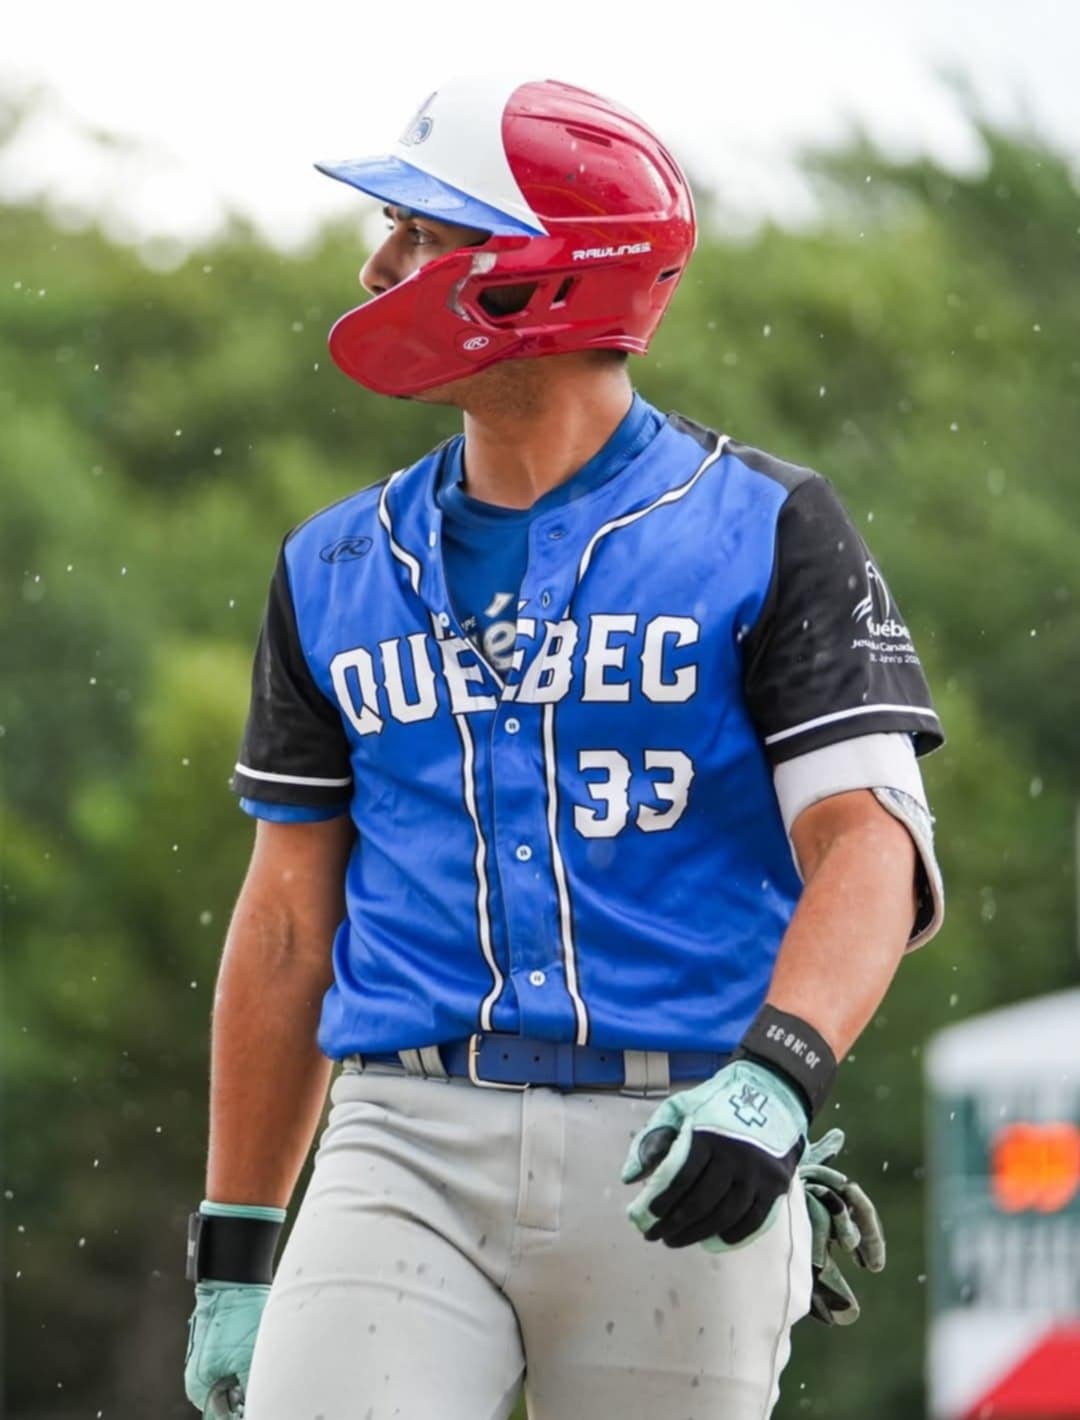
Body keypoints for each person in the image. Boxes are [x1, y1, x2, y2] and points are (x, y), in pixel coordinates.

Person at [183, 74, 944, 1420]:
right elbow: (292, 925)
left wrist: (778, 1079)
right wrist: (237, 1245)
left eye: (421, 230)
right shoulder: (330, 565)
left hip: (684, 1137)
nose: (380, 265)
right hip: (402, 1135)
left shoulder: (769, 527)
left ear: (546, 270)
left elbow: (867, 848)